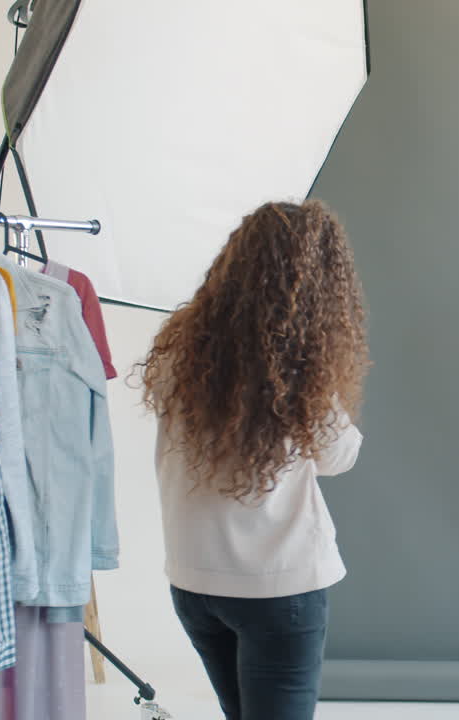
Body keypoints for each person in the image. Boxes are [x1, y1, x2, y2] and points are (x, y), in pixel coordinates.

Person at [140, 200, 369, 720]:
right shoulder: (296, 365)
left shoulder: (179, 349)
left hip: (195, 582)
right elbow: (338, 456)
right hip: (277, 585)